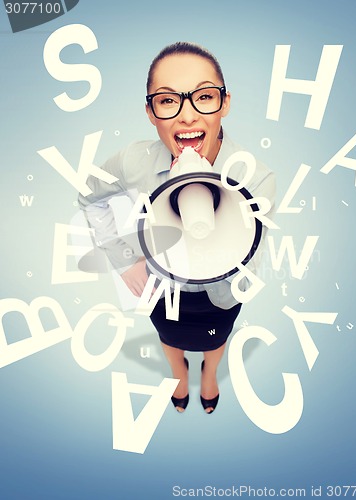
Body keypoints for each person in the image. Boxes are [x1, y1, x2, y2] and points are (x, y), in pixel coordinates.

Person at [78, 42, 275, 414]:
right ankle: (180, 375)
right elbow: (91, 197)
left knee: (217, 339)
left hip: (221, 294)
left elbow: (249, 261)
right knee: (169, 336)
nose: (187, 116)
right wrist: (124, 260)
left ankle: (210, 373)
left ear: (225, 103)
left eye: (203, 97)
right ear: (151, 112)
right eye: (168, 101)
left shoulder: (258, 179)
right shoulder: (132, 161)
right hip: (160, 286)